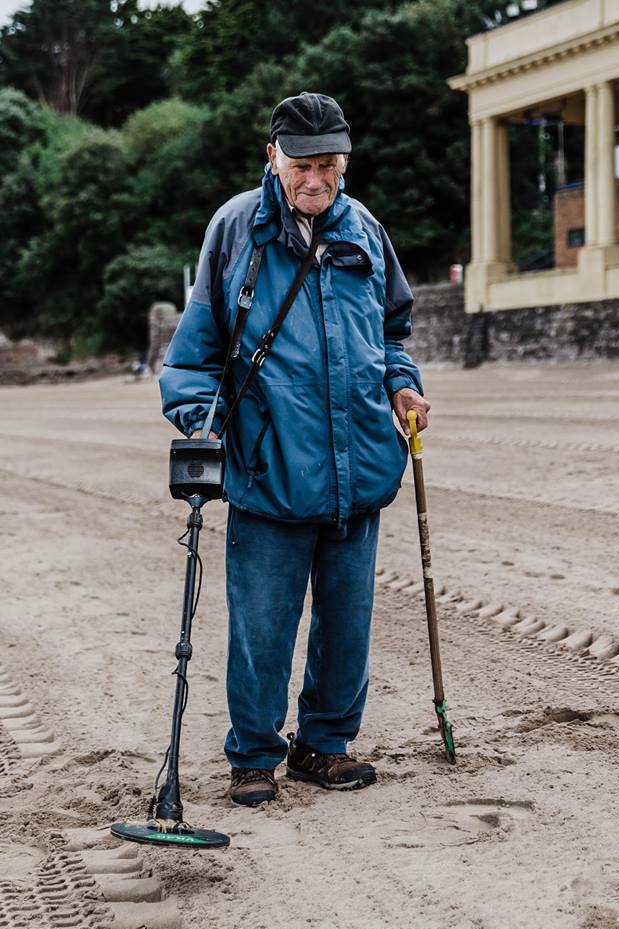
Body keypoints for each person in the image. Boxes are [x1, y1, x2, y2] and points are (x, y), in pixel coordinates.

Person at [160, 92, 429, 807]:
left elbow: (392, 333)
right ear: (271, 156)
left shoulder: (364, 229)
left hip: (358, 466)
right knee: (261, 629)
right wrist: (199, 420)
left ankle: (324, 746)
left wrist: (402, 385)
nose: (316, 179)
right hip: (266, 467)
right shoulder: (234, 230)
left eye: (330, 165)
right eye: (302, 164)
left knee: (347, 624)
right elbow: (192, 357)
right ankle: (253, 756)